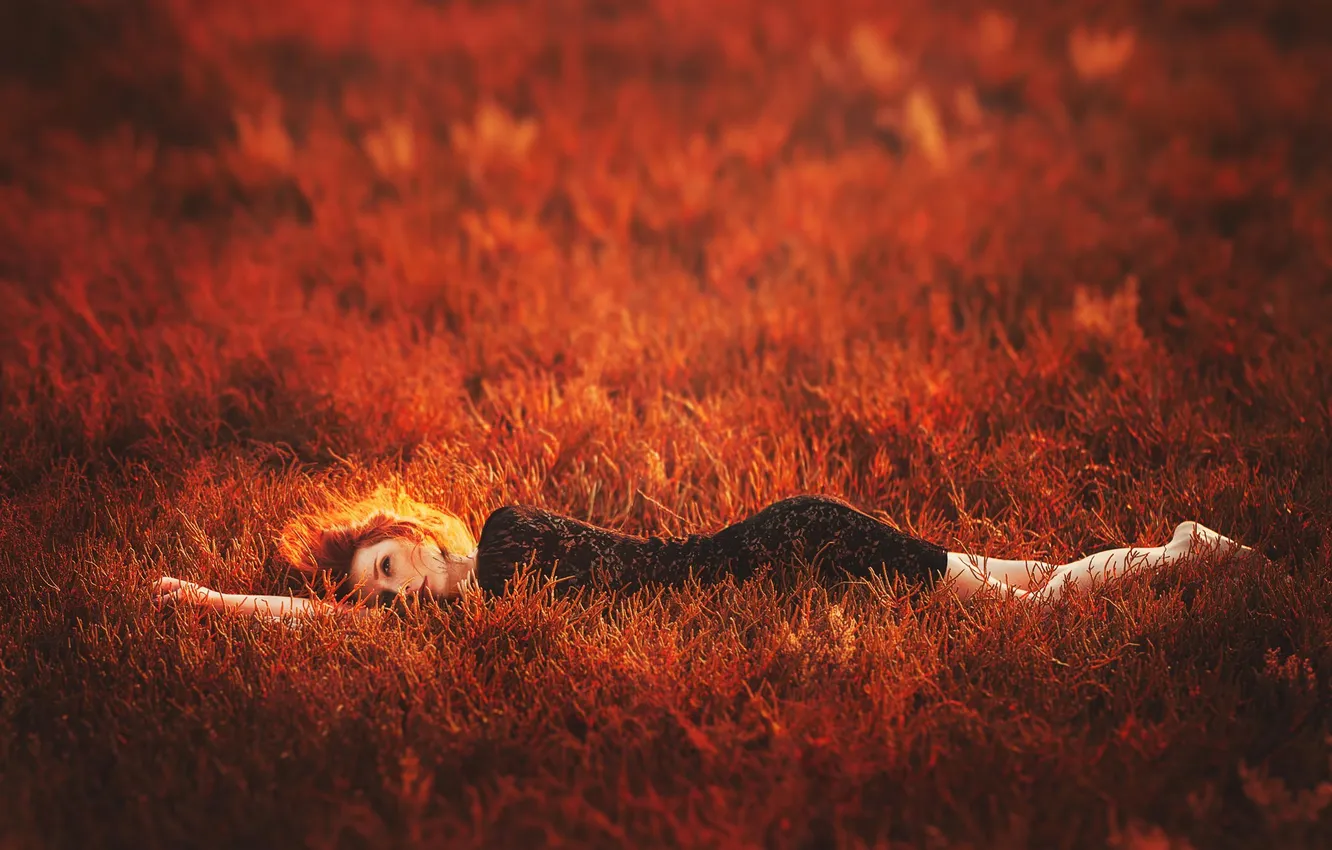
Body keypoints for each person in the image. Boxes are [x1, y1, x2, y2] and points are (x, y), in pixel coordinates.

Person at [154, 492, 1253, 618]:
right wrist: (208, 596)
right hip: (780, 555)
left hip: (787, 546)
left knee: (1037, 600)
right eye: (376, 601)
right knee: (1020, 584)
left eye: (383, 568)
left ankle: (1186, 553)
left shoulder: (496, 541)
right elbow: (322, 633)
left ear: (407, 534)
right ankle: (1182, 550)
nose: (392, 594)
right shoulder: (469, 626)